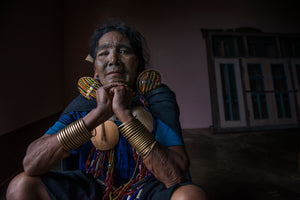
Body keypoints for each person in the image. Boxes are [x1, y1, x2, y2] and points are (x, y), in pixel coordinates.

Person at [6, 22, 206, 200]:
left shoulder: (157, 99)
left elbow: (174, 176)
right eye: (103, 53)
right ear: (95, 70)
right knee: (21, 186)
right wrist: (99, 113)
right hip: (91, 188)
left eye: (125, 51)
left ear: (139, 66)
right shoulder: (83, 104)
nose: (113, 60)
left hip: (147, 188)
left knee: (190, 196)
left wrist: (123, 112)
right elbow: (31, 164)